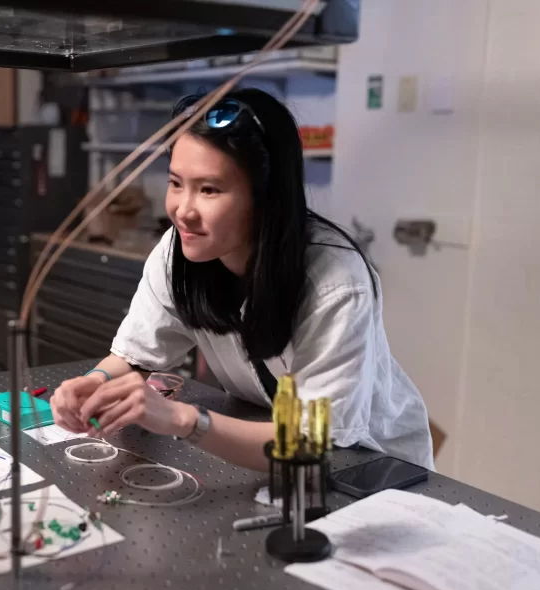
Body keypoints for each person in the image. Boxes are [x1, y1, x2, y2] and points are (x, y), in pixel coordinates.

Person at [51, 89, 434, 471]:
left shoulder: (336, 284)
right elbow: (136, 355)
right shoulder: (180, 251)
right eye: (175, 183)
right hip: (270, 445)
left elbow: (310, 441)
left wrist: (184, 420)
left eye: (209, 189)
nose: (183, 211)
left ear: (266, 196)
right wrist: (94, 382)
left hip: (367, 464)